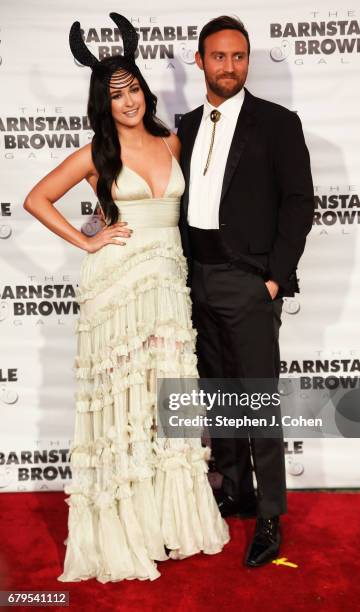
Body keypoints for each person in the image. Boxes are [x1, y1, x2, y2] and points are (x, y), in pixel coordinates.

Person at [23, 13, 229, 583]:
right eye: (115, 95)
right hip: (116, 288)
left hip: (166, 288)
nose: (128, 100)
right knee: (123, 406)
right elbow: (36, 199)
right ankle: (126, 529)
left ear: (144, 90)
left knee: (165, 402)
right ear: (103, 103)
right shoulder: (97, 153)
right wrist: (87, 239)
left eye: (133, 88)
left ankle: (169, 522)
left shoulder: (172, 141)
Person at [177, 15, 314, 567]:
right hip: (196, 278)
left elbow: (298, 203)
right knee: (219, 394)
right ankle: (234, 489)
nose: (228, 66)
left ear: (247, 61)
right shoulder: (183, 126)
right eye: (218, 56)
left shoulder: (277, 123)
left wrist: (274, 278)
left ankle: (270, 517)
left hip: (249, 279)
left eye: (238, 57)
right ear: (200, 61)